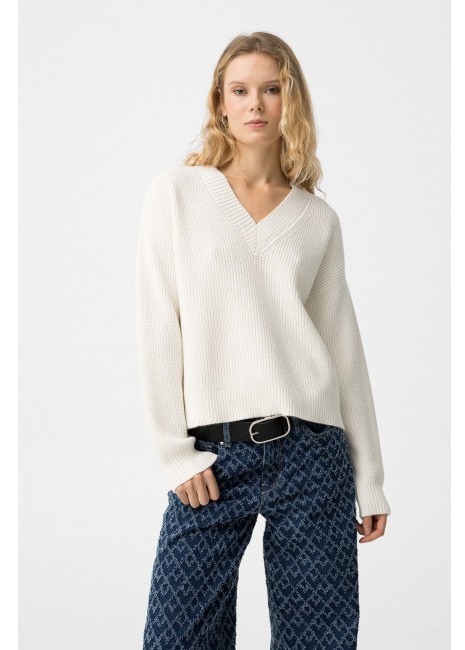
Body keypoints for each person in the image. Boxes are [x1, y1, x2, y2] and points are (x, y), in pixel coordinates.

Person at [135, 31, 391, 650]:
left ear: (290, 101)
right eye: (240, 90)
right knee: (175, 637)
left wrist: (369, 477)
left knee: (318, 641)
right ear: (220, 103)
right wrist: (176, 454)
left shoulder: (317, 219)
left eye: (271, 89)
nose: (256, 103)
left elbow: (343, 349)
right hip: (213, 457)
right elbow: (157, 327)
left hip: (313, 455)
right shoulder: (177, 194)